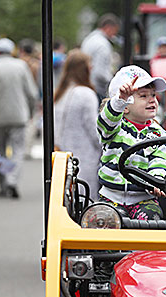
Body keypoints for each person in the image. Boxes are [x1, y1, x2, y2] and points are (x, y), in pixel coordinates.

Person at [96, 65, 166, 220]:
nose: (152, 100)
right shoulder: (114, 129)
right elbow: (105, 122)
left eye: (153, 95)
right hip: (110, 197)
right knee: (103, 219)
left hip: (143, 198)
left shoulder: (158, 134)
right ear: (125, 107)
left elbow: (160, 161)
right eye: (143, 96)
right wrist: (119, 101)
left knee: (152, 218)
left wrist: (155, 180)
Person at [0, 37, 39, 199]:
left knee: (1, 152)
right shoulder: (21, 67)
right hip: (19, 116)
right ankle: (12, 181)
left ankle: (3, 184)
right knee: (18, 150)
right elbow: (32, 93)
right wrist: (29, 110)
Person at [54, 49, 101, 199]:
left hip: (62, 156)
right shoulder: (86, 94)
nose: (92, 68)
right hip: (85, 157)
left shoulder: (61, 93)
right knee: (87, 200)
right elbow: (94, 130)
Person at [81, 13, 121, 101]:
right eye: (115, 31)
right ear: (108, 27)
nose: (114, 34)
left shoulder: (89, 39)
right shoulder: (103, 44)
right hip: (98, 90)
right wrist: (115, 81)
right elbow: (100, 72)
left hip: (86, 85)